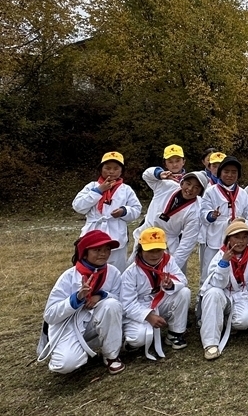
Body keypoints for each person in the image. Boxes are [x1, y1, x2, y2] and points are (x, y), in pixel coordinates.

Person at [37, 230, 124, 375]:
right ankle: (70, 349)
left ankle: (111, 356)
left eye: (107, 249)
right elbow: (50, 315)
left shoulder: (113, 272)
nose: (103, 254)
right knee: (65, 364)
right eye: (97, 250)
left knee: (112, 304)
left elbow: (120, 301)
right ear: (84, 253)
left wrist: (102, 295)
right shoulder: (68, 277)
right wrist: (76, 298)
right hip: (69, 325)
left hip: (94, 322)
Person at [121, 228, 191, 359]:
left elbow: (182, 280)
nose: (155, 255)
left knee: (184, 292)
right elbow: (127, 304)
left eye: (158, 250)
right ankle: (130, 341)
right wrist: (148, 316)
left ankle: (175, 333)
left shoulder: (168, 261)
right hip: (141, 308)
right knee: (138, 338)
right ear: (140, 249)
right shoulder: (130, 272)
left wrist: (171, 285)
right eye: (150, 250)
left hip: (160, 302)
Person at [199, 219, 248, 360]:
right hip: (222, 294)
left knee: (245, 321)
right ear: (228, 239)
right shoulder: (220, 256)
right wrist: (224, 263)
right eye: (236, 237)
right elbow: (217, 283)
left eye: (244, 237)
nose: (241, 241)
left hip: (240, 295)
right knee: (213, 293)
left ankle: (222, 321)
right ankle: (210, 343)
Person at [73, 151, 142, 272]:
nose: (111, 171)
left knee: (117, 268)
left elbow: (136, 209)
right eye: (107, 168)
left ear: (121, 171)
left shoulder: (126, 190)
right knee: (90, 264)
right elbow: (78, 206)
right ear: (101, 169)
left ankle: (115, 283)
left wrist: (124, 211)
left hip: (116, 233)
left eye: (116, 168)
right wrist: (98, 191)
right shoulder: (92, 186)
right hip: (94, 230)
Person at [131, 169, 207, 272]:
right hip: (146, 233)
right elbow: (146, 175)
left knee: (161, 272)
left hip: (167, 243)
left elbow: (187, 243)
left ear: (200, 192)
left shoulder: (195, 211)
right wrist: (159, 174)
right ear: (182, 182)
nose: (190, 189)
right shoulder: (167, 186)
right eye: (188, 184)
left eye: (196, 187)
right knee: (135, 268)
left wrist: (172, 269)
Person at [199, 155, 248, 283]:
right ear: (220, 173)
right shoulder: (211, 191)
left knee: (232, 270)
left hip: (236, 238)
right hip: (216, 238)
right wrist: (211, 215)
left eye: (234, 172)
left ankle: (230, 291)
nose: (230, 175)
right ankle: (205, 293)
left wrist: (247, 225)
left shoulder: (242, 193)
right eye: (226, 171)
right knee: (209, 269)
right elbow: (202, 212)